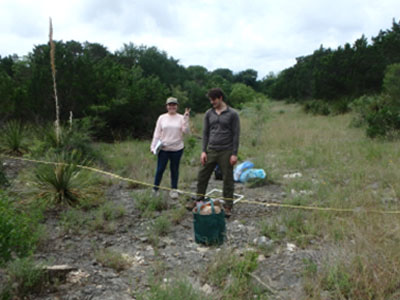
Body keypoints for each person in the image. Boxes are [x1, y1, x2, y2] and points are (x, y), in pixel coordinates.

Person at [193, 88, 240, 217]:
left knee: (228, 179)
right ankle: (198, 201)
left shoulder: (233, 114)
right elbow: (205, 133)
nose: (211, 102)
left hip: (226, 150)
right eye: (210, 100)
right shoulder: (209, 113)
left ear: (220, 98)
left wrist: (234, 153)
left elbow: (236, 134)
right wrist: (203, 151)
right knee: (202, 175)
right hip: (211, 150)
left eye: (213, 100)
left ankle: (228, 206)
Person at [150, 97, 190, 199]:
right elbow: (157, 133)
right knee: (160, 169)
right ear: (167, 106)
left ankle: (174, 190)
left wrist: (186, 119)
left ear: (177, 106)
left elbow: (186, 131)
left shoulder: (181, 117)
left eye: (174, 105)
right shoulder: (161, 118)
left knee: (174, 169)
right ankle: (155, 189)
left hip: (177, 149)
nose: (172, 107)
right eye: (170, 105)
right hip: (163, 149)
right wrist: (153, 146)